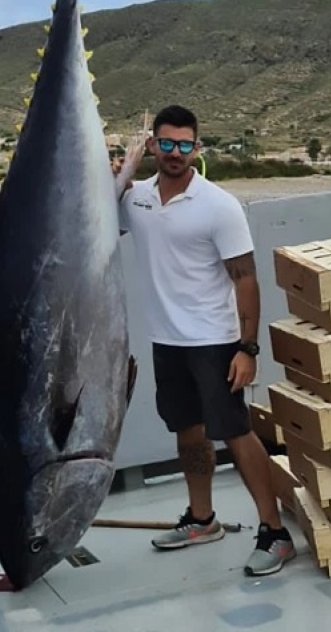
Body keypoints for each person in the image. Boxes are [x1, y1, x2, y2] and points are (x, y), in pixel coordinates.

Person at [117, 105, 295, 578]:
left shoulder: (219, 205)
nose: (175, 153)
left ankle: (275, 533)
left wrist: (248, 348)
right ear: (152, 145)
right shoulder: (134, 200)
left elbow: (246, 280)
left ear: (196, 148)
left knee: (235, 432)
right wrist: (115, 175)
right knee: (187, 431)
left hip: (215, 342)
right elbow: (95, 222)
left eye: (184, 144)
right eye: (166, 143)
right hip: (167, 341)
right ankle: (202, 519)